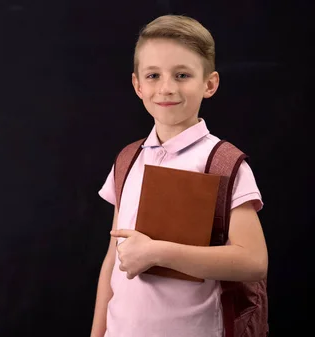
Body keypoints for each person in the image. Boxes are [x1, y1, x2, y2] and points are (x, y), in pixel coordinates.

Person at [89, 14, 268, 337]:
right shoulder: (128, 159)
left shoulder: (222, 163)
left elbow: (253, 261)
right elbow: (112, 259)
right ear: (137, 85)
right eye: (154, 75)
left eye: (182, 75)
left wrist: (158, 252)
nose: (167, 88)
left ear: (209, 84)